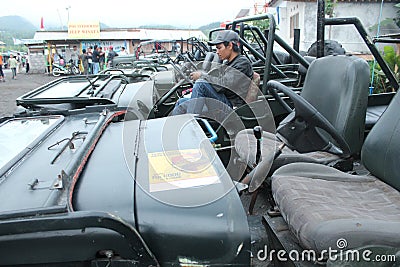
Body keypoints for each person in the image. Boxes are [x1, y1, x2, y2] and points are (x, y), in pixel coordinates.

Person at [171, 30, 253, 119]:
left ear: (230, 45)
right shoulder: (228, 63)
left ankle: (192, 126)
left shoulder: (242, 63)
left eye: (219, 48)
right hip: (222, 100)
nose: (217, 52)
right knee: (181, 102)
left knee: (201, 84)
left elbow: (224, 85)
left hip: (231, 107)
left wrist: (202, 76)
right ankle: (176, 129)